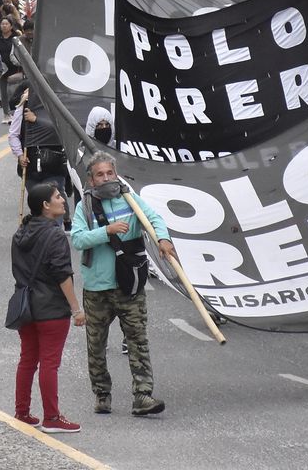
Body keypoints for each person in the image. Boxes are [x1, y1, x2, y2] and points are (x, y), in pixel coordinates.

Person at [70, 153, 175, 418]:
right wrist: (106, 231)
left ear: (116, 174)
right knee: (96, 345)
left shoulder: (130, 199)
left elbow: (154, 219)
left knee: (138, 341)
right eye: (100, 174)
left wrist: (163, 239)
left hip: (130, 285)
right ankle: (102, 394)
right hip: (97, 288)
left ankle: (143, 395)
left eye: (110, 173)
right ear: (91, 179)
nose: (106, 178)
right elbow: (78, 239)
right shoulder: (85, 206)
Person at [11, 181, 85, 434]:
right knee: (49, 363)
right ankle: (52, 417)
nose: (63, 199)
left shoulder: (21, 232)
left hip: (25, 306)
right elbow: (62, 274)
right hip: (51, 308)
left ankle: (22, 412)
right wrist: (76, 309)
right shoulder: (55, 235)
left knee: (27, 360)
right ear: (45, 205)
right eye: (57, 197)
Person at [9, 87, 72, 227]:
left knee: (54, 199)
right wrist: (20, 155)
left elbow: (64, 130)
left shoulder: (57, 104)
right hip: (31, 166)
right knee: (38, 204)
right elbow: (13, 134)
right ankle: (42, 232)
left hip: (53, 164)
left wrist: (37, 120)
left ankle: (55, 232)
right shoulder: (24, 107)